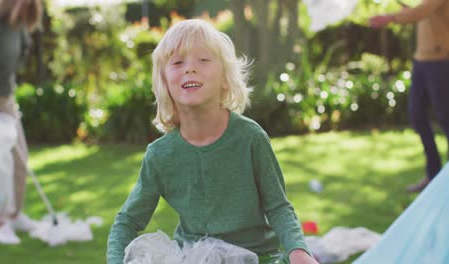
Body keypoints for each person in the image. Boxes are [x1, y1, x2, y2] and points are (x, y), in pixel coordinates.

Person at [107, 19, 318, 264]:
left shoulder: (250, 138)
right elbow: (127, 222)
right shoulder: (160, 155)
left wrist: (298, 250)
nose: (190, 69)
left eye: (203, 60)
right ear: (165, 82)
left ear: (225, 79)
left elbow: (278, 206)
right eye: (177, 62)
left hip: (258, 257)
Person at [369, 0, 449, 193]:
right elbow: (419, 13)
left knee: (446, 118)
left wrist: (391, 18)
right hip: (421, 61)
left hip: (441, 60)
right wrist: (405, 12)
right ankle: (433, 174)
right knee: (417, 115)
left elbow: (421, 12)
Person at [0, 0, 43, 244]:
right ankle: (1, 223)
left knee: (20, 157)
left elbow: (22, 52)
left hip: (6, 98)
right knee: (1, 162)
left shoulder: (17, 28)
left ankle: (15, 214)